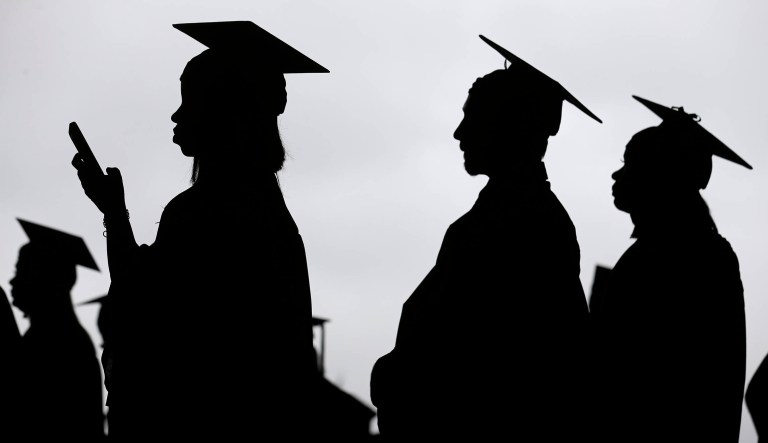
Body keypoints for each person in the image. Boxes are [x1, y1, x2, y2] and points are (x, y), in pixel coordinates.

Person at [71, 21, 325, 440]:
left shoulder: (212, 213)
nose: (177, 114)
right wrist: (113, 211)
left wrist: (115, 216)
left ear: (226, 113)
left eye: (190, 100)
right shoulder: (260, 209)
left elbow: (145, 311)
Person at [370, 35, 601, 440]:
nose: (459, 133)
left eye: (474, 116)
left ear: (511, 126)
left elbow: (481, 353)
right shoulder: (509, 215)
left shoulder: (524, 223)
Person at [591, 96, 749, 442]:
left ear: (664, 176)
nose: (619, 173)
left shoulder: (695, 259)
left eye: (632, 163)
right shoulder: (666, 251)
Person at [8, 219, 105, 441]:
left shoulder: (60, 344)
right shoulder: (61, 337)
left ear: (52, 278)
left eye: (23, 270)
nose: (13, 281)